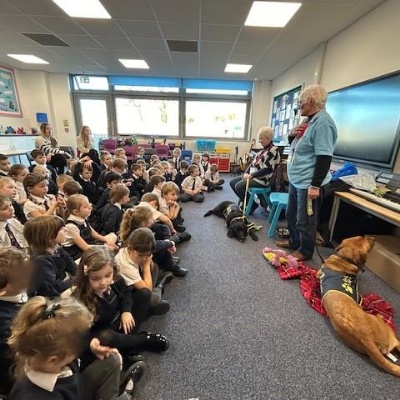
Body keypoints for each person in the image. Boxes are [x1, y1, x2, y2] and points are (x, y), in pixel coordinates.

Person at [7, 296, 141, 400]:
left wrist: (91, 348)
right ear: (53, 360)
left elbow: (76, 356)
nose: (77, 353)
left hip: (76, 389)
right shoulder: (36, 396)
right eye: (75, 352)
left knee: (111, 359)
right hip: (72, 392)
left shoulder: (49, 356)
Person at [275, 84, 338, 261]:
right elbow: (297, 147)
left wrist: (315, 186)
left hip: (309, 183)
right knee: (291, 215)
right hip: (297, 179)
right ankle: (295, 242)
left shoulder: (323, 123)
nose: (299, 106)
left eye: (301, 102)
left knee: (305, 220)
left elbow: (324, 157)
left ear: (311, 101)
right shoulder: (309, 120)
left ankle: (305, 251)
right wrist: (291, 135)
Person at [230, 126, 280, 214]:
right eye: (259, 138)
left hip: (262, 180)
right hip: (253, 177)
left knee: (239, 186)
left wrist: (251, 175)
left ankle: (252, 205)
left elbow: (267, 169)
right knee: (232, 182)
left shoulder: (273, 151)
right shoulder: (262, 150)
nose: (260, 141)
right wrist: (245, 174)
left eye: (262, 138)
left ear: (268, 138)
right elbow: (252, 164)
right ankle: (248, 202)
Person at [24, 215, 77, 298]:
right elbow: (54, 288)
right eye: (61, 229)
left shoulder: (57, 248)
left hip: (61, 287)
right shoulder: (40, 261)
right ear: (49, 237)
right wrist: (78, 278)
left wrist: (82, 274)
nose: (66, 229)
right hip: (48, 298)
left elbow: (74, 268)